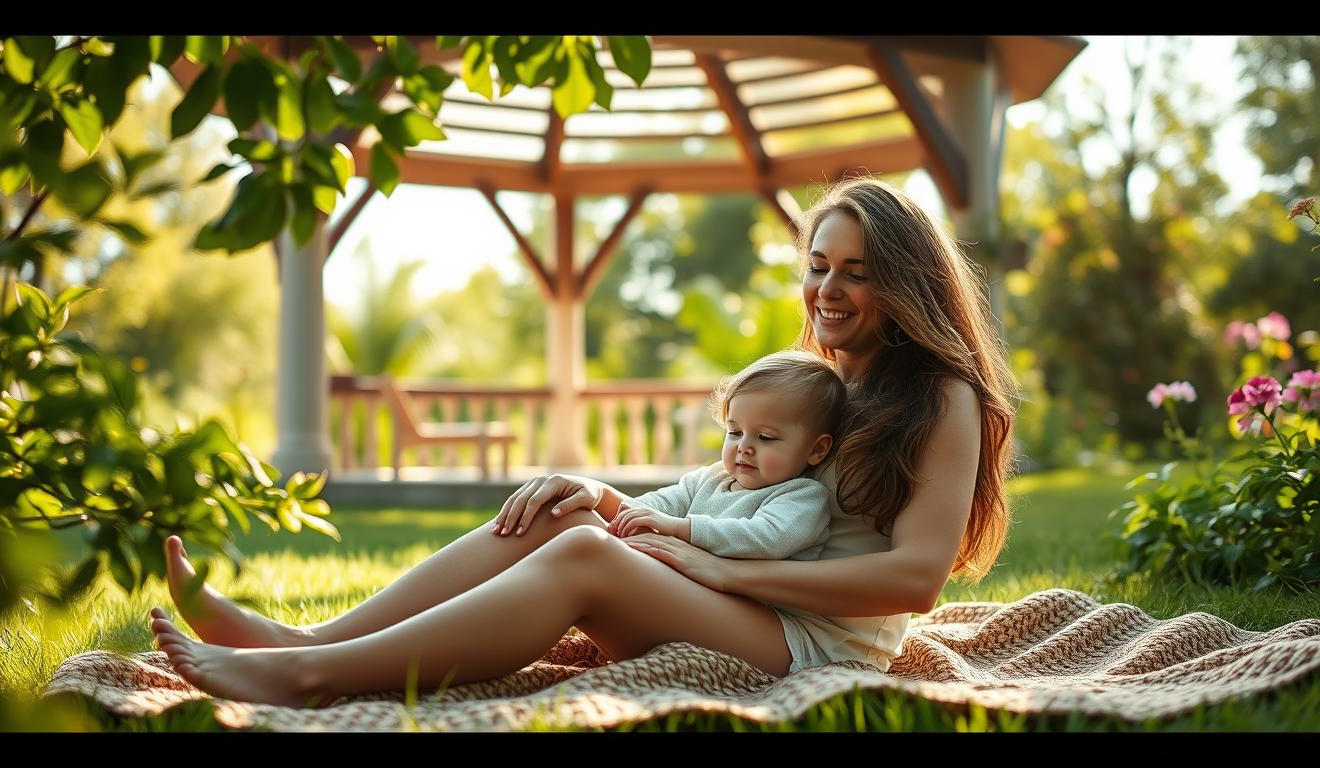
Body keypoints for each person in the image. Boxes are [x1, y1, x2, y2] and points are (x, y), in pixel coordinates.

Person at [149, 175, 1019, 708]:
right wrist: (603, 497)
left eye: (856, 272)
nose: (828, 287)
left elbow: (916, 579)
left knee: (586, 561)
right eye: (820, 265)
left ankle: (312, 680)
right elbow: (721, 493)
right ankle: (310, 642)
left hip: (814, 642)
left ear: (904, 281)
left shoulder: (941, 397)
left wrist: (722, 570)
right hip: (755, 606)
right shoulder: (821, 380)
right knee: (566, 521)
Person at [607, 349, 845, 562]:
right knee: (583, 528)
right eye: (735, 432)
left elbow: (764, 538)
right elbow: (666, 501)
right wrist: (631, 514)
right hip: (694, 590)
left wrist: (679, 528)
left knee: (589, 546)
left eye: (765, 437)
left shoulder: (803, 496)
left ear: (816, 449)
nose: (744, 447)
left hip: (749, 607)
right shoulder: (713, 477)